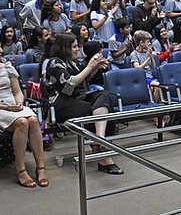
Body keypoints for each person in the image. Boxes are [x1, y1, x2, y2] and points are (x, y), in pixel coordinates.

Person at [0, 37, 49, 188]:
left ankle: (41, 167)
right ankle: (21, 170)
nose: (1, 51)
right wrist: (6, 108)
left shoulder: (7, 67)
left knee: (33, 119)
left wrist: (19, 102)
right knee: (22, 122)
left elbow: (18, 92)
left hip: (13, 105)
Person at [44, 33, 124, 175]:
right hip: (59, 103)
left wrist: (95, 68)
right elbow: (68, 86)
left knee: (104, 95)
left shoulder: (72, 62)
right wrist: (89, 67)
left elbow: (82, 81)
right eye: (74, 47)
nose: (77, 49)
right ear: (65, 48)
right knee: (95, 112)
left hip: (75, 99)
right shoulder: (54, 62)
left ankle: (99, 138)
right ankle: (104, 157)